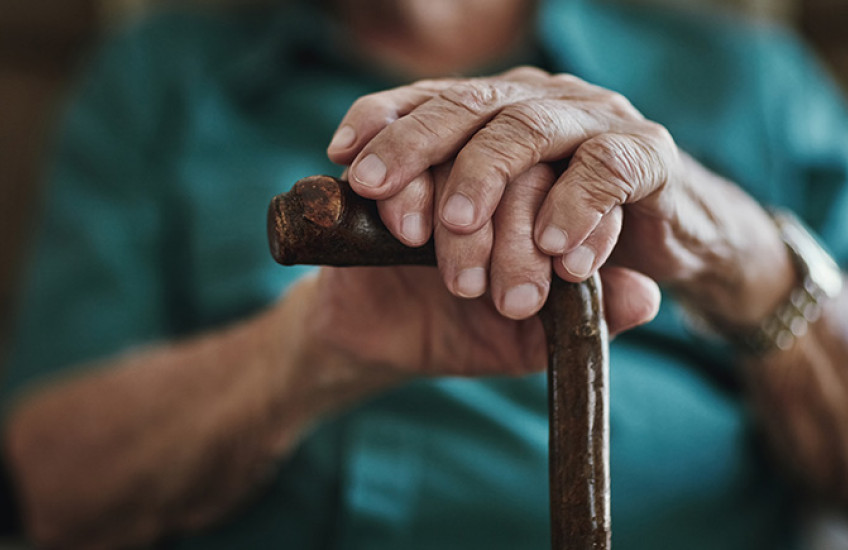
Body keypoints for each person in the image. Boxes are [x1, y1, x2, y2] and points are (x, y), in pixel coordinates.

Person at [2, 0, 848, 548]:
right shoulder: (157, 79)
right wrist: (307, 352)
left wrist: (740, 256)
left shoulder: (751, 83)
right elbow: (51, 485)